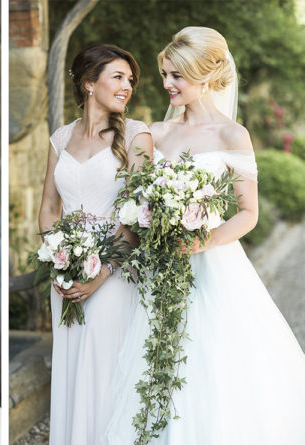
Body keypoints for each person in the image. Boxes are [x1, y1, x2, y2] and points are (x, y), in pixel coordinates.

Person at [104, 27, 305, 445]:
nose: (166, 84)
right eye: (165, 74)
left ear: (205, 76)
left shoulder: (233, 135)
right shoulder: (154, 133)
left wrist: (203, 240)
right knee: (155, 365)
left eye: (177, 75)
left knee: (209, 365)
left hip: (211, 267)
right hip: (159, 271)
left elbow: (248, 212)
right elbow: (130, 202)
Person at [38, 44, 153, 445]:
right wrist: (59, 263)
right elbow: (49, 207)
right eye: (118, 77)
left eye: (130, 80)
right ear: (89, 83)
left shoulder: (138, 135)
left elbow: (137, 215)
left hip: (115, 271)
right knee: (72, 366)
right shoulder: (60, 138)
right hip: (67, 270)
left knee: (104, 366)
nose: (127, 86)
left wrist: (101, 272)